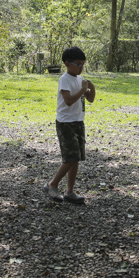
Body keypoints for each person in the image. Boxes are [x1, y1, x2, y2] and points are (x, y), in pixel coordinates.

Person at [44, 46, 96, 205]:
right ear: (67, 63)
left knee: (76, 158)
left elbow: (90, 99)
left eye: (83, 64)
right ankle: (52, 185)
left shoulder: (80, 80)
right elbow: (68, 101)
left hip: (78, 121)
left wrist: (91, 88)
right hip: (65, 122)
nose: (81, 67)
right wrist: (82, 89)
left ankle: (70, 191)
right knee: (70, 157)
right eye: (78, 64)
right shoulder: (64, 79)